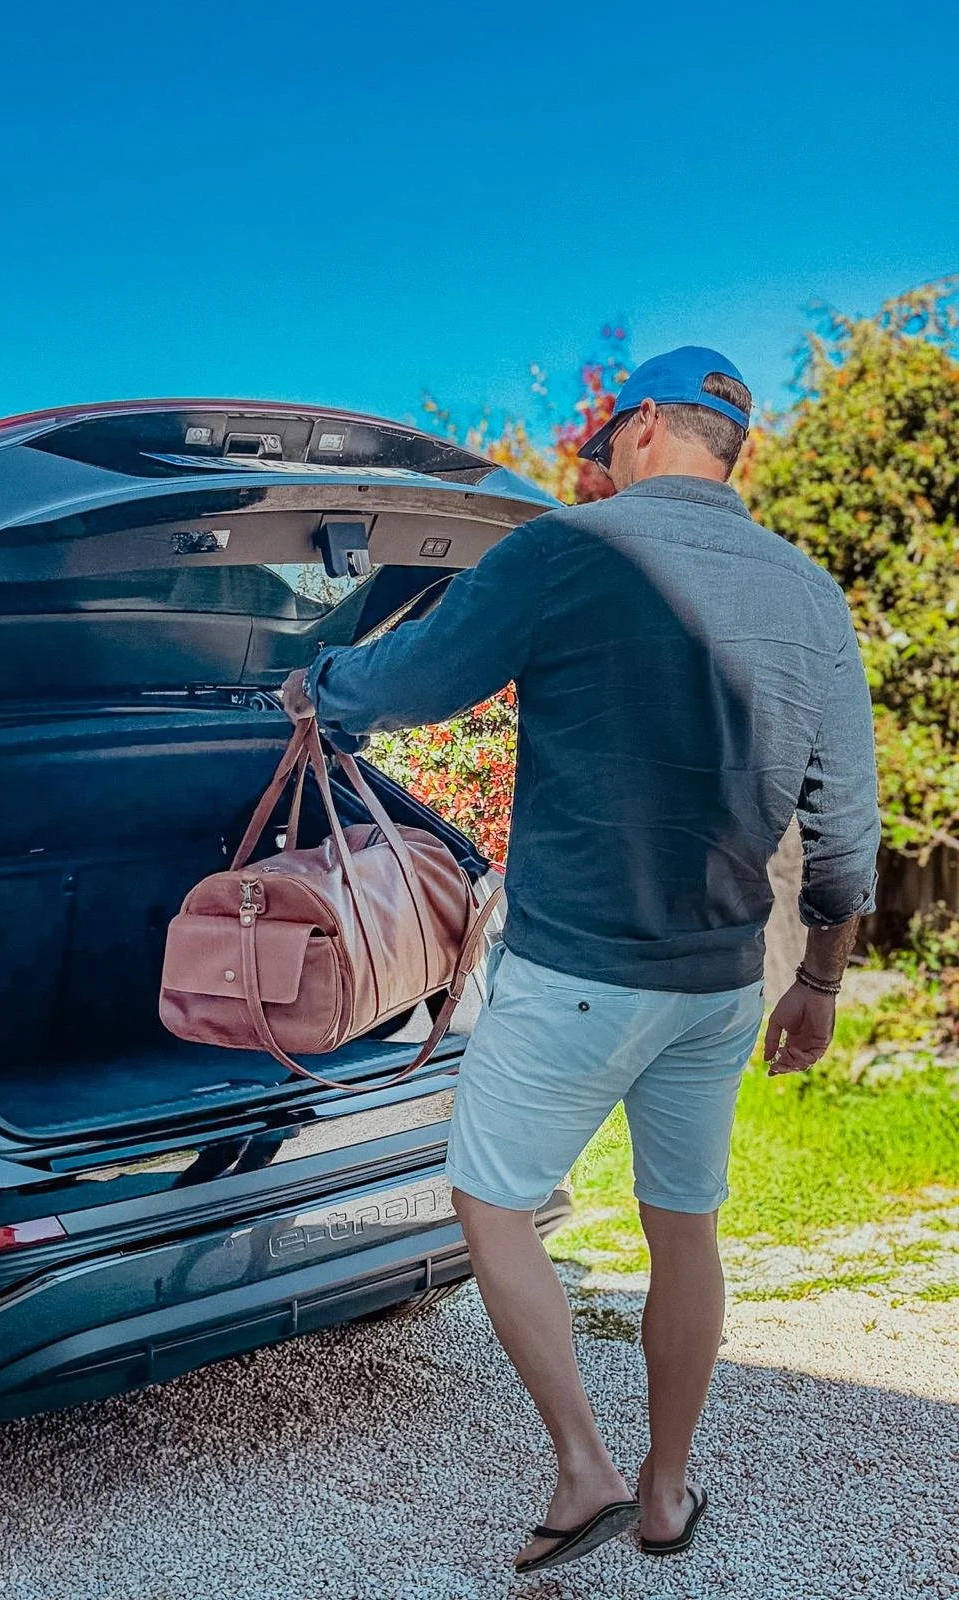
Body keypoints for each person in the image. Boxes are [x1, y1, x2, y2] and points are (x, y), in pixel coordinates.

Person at [280, 346, 880, 1575]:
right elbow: (847, 832)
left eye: (606, 437)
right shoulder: (811, 594)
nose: (597, 460)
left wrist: (316, 682)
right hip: (722, 983)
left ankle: (582, 1466)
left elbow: (415, 682)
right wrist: (817, 983)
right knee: (686, 1229)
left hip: (576, 975)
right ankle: (665, 1496)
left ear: (650, 422)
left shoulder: (567, 552)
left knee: (494, 1203)